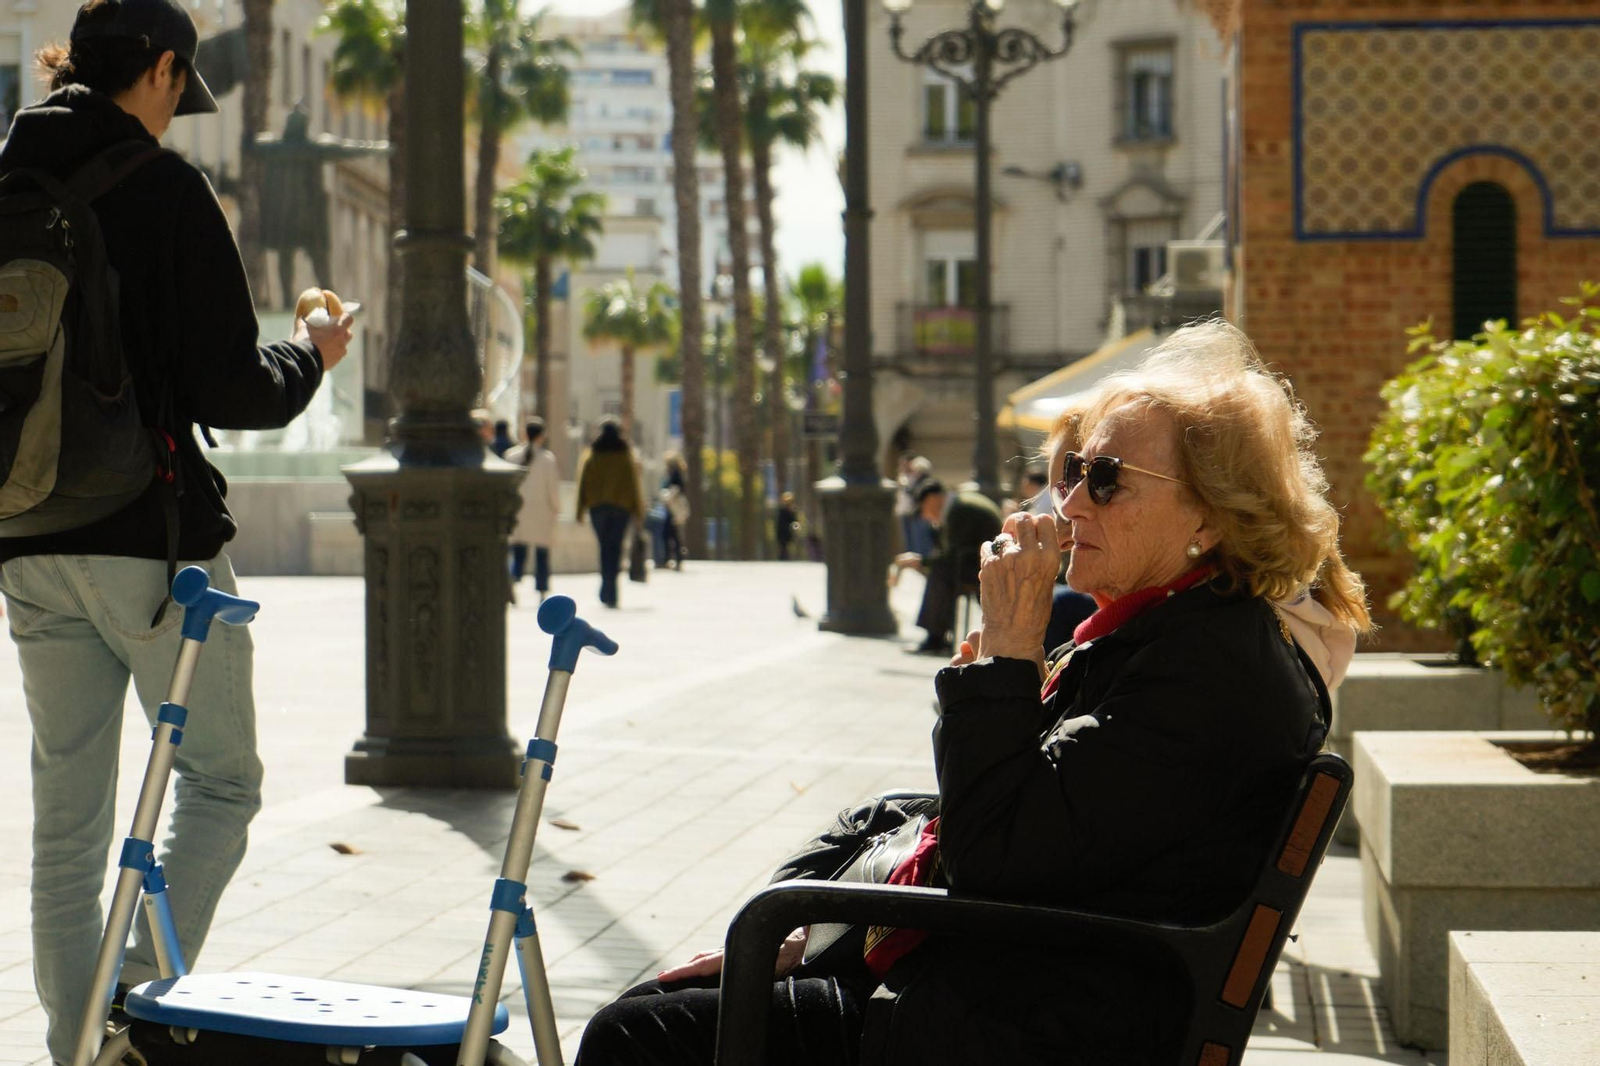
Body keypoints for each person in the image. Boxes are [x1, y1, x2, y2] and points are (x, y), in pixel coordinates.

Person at [573, 320, 1370, 1066]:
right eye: (1068, 472)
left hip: (1028, 1021)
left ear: (1209, 513)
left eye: (1105, 478)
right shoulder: (1170, 635)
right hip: (1013, 975)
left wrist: (1010, 656)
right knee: (693, 986)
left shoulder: (1208, 667)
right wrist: (810, 924)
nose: (1069, 502)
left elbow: (996, 850)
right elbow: (986, 823)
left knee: (634, 1036)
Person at [0, 3, 353, 1062]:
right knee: (223, 780)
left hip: (23, 538)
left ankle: (75, 1047)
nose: (177, 109)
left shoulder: (6, 184)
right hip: (152, 545)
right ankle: (134, 1015)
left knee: (67, 824)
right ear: (159, 68)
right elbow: (230, 387)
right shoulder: (165, 188)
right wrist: (313, 352)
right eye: (177, 85)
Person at [892, 479, 1003, 654]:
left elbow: (953, 555)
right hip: (982, 561)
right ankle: (936, 634)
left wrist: (922, 561)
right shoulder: (958, 506)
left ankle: (935, 637)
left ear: (932, 499)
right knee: (940, 571)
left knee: (940, 573)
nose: (925, 516)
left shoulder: (959, 511)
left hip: (983, 565)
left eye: (923, 509)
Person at [576, 417, 643, 608]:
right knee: (616, 548)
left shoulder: (591, 455)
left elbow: (583, 483)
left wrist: (580, 510)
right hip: (621, 509)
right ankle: (612, 590)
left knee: (604, 548)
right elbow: (634, 486)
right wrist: (638, 512)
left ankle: (606, 587)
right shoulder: (625, 456)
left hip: (597, 508)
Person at [505, 418, 560, 604]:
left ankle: (514, 579)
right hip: (541, 512)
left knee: (519, 550)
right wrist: (556, 508)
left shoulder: (510, 456)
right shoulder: (547, 459)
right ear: (542, 435)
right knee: (542, 553)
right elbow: (553, 489)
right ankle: (542, 588)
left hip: (518, 510)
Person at [658, 452, 688, 570]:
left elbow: (676, 489)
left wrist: (667, 497)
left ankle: (672, 558)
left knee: (670, 533)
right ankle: (675, 558)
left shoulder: (675, 474)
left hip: (673, 507)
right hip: (672, 507)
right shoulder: (675, 473)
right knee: (673, 534)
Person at [775, 492, 799, 561]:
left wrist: (795, 527)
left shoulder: (792, 510)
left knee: (786, 545)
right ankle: (783, 557)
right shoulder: (782, 510)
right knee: (783, 546)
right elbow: (781, 522)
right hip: (782, 531)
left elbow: (794, 521)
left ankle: (786, 556)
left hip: (788, 531)